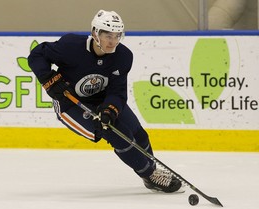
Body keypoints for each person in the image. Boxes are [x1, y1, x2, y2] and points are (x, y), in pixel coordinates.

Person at [28, 9, 182, 193]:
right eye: (108, 35)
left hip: (103, 100)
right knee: (117, 134)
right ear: (95, 33)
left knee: (138, 134)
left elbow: (117, 91)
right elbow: (37, 54)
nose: (113, 41)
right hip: (71, 105)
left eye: (117, 36)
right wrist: (49, 79)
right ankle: (149, 174)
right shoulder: (70, 46)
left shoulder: (123, 56)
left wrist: (109, 110)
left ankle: (151, 170)